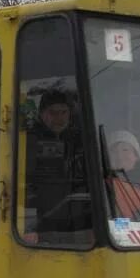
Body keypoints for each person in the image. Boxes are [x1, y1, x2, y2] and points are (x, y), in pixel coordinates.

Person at [23, 88, 89, 242]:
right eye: (53, 112)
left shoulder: (82, 141)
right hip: (39, 219)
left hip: (77, 217)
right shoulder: (28, 140)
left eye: (63, 112)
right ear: (42, 114)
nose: (59, 118)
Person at [105, 130, 140, 218]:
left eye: (125, 150)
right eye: (113, 151)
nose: (119, 155)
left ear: (136, 155)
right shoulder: (100, 182)